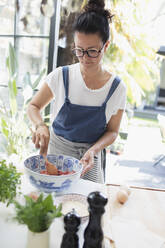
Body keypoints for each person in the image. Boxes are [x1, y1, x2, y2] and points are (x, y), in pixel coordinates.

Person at [27, 0, 127, 184]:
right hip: (55, 156)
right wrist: (40, 125)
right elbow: (33, 106)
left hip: (89, 160)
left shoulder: (117, 89)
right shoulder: (60, 77)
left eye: (92, 51)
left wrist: (94, 150)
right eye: (79, 50)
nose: (84, 58)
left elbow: (113, 131)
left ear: (105, 46)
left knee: (89, 208)